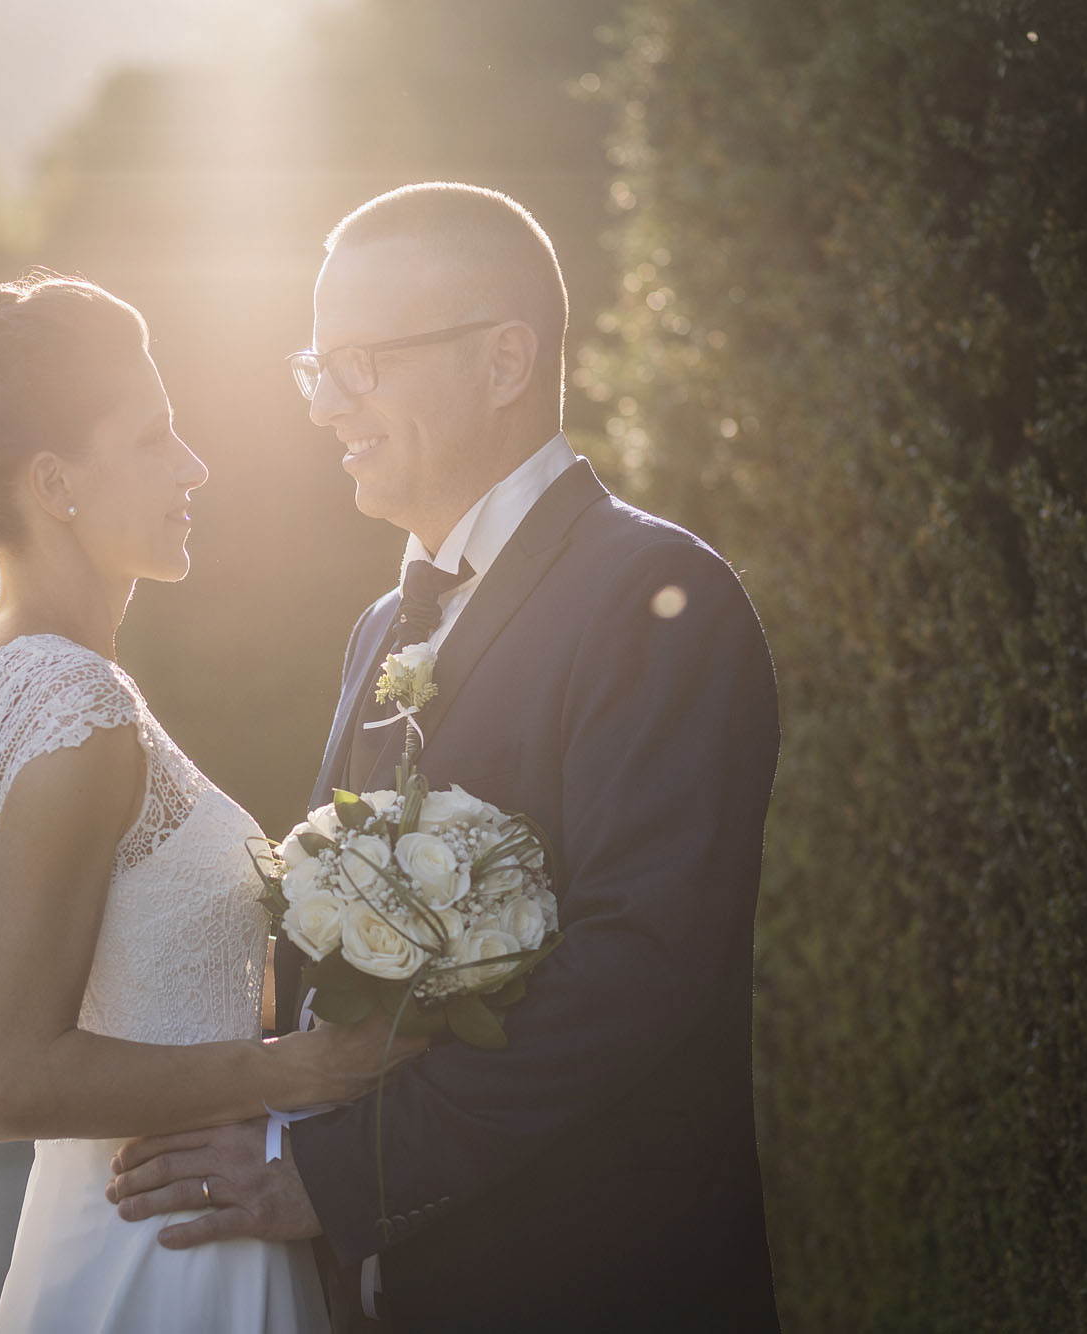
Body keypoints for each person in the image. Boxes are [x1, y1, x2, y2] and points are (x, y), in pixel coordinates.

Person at [108, 183, 784, 1331]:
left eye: (361, 363)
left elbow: (640, 967)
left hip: (597, 1281)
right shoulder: (381, 625)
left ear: (504, 360)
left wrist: (328, 1176)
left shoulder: (660, 599)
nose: (327, 407)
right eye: (315, 368)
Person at [0, 271, 415, 1334]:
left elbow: (122, 987)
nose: (193, 466)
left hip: (127, 1231)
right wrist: (299, 1068)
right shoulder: (72, 707)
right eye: (152, 438)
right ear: (55, 481)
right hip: (167, 1256)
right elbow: (7, 1078)